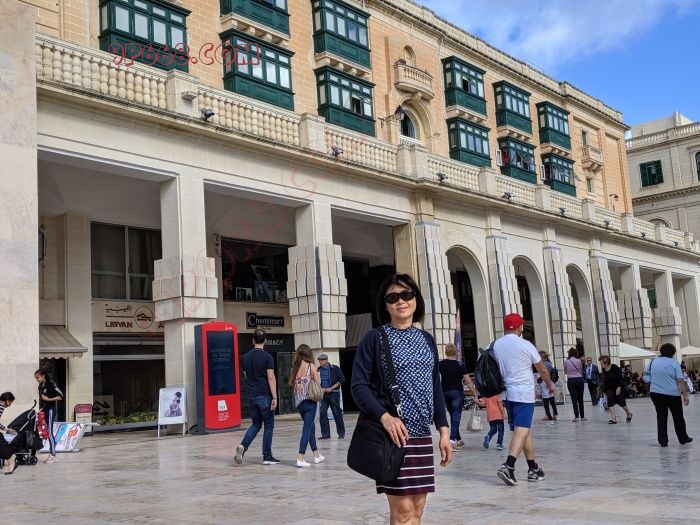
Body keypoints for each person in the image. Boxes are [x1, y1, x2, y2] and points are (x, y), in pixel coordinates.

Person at [352, 273, 451, 525]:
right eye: (392, 297)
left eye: (406, 294)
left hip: (422, 435)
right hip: (394, 436)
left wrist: (444, 430)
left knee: (417, 510)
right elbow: (358, 387)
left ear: (416, 299)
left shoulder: (426, 339)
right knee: (403, 511)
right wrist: (385, 417)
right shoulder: (375, 338)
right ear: (385, 305)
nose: (400, 301)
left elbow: (435, 386)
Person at [493, 313, 554, 486]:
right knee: (522, 429)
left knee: (524, 430)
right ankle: (509, 466)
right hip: (523, 393)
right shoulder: (526, 345)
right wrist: (549, 384)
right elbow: (542, 368)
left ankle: (533, 468)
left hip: (507, 394)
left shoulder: (495, 345)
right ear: (520, 327)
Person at [234, 328, 280, 466]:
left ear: (253, 340)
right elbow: (270, 377)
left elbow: (246, 376)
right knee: (269, 426)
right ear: (265, 340)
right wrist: (275, 397)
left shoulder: (246, 357)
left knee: (255, 424)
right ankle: (267, 456)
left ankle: (243, 446)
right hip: (264, 395)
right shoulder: (267, 357)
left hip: (251, 396)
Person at [644, 343, 693, 447]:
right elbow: (680, 380)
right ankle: (683, 438)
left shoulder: (653, 362)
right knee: (678, 417)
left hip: (656, 393)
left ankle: (663, 441)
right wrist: (685, 395)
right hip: (672, 394)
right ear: (673, 353)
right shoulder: (674, 363)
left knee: (661, 416)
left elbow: (647, 377)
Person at [289, 344, 325, 467]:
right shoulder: (311, 366)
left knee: (310, 427)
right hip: (310, 402)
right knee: (306, 429)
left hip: (299, 403)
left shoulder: (294, 368)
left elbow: (292, 384)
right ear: (309, 353)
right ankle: (300, 457)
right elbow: (318, 383)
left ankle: (316, 455)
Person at [439, 343, 468, 450]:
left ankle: (458, 439)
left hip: (445, 392)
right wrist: (475, 393)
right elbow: (468, 380)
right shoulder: (460, 364)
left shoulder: (440, 364)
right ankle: (451, 440)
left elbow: (436, 379)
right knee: (456, 416)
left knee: (453, 416)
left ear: (446, 352)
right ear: (455, 352)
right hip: (456, 392)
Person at [35, 369, 63, 463]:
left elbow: (60, 396)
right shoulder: (40, 386)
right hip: (45, 409)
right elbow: (43, 400)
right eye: (36, 378)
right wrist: (41, 408)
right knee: (43, 430)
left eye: (38, 377)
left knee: (50, 431)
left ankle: (53, 455)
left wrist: (49, 399)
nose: (37, 379)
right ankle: (51, 452)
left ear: (43, 376)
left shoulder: (51, 384)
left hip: (51, 409)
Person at [317, 353, 346, 440]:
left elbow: (342, 379)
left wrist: (332, 388)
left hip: (334, 393)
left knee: (337, 413)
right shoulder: (318, 370)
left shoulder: (335, 368)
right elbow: (316, 381)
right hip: (323, 394)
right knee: (322, 413)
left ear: (326, 360)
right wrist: (320, 388)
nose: (320, 362)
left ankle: (341, 433)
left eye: (322, 360)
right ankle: (325, 434)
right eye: (319, 360)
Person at [598, 356, 633, 424]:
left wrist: (619, 387)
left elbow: (620, 378)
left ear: (606, 363)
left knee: (622, 402)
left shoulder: (614, 367)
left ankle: (628, 414)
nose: (600, 364)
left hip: (618, 387)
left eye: (601, 363)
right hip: (609, 389)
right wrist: (604, 391)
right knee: (610, 402)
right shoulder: (604, 370)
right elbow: (605, 381)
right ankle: (613, 419)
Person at [563, 348, 586, 422]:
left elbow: (565, 372)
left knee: (574, 399)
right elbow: (581, 370)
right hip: (579, 380)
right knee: (580, 399)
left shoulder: (566, 361)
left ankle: (576, 416)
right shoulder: (579, 361)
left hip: (571, 380)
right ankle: (582, 417)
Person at [0, 392, 20, 475]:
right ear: (7, 400)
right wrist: (8, 429)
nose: (10, 405)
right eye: (11, 403)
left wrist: (8, 429)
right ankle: (12, 458)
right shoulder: (1, 407)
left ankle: (11, 460)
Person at [538, 352, 558, 423]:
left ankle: (549, 417)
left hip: (545, 382)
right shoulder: (549, 363)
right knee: (552, 400)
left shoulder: (543, 364)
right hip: (550, 382)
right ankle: (555, 414)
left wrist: (540, 379)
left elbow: (544, 374)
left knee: (546, 401)